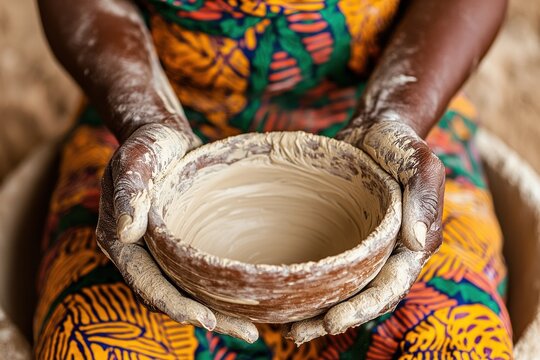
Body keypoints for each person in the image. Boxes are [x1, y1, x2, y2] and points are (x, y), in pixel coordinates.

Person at [35, 0, 512, 358]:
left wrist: (400, 114)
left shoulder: (395, 114)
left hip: (388, 112)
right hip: (155, 106)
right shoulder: (145, 115)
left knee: (453, 338)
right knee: (93, 339)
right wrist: (142, 118)